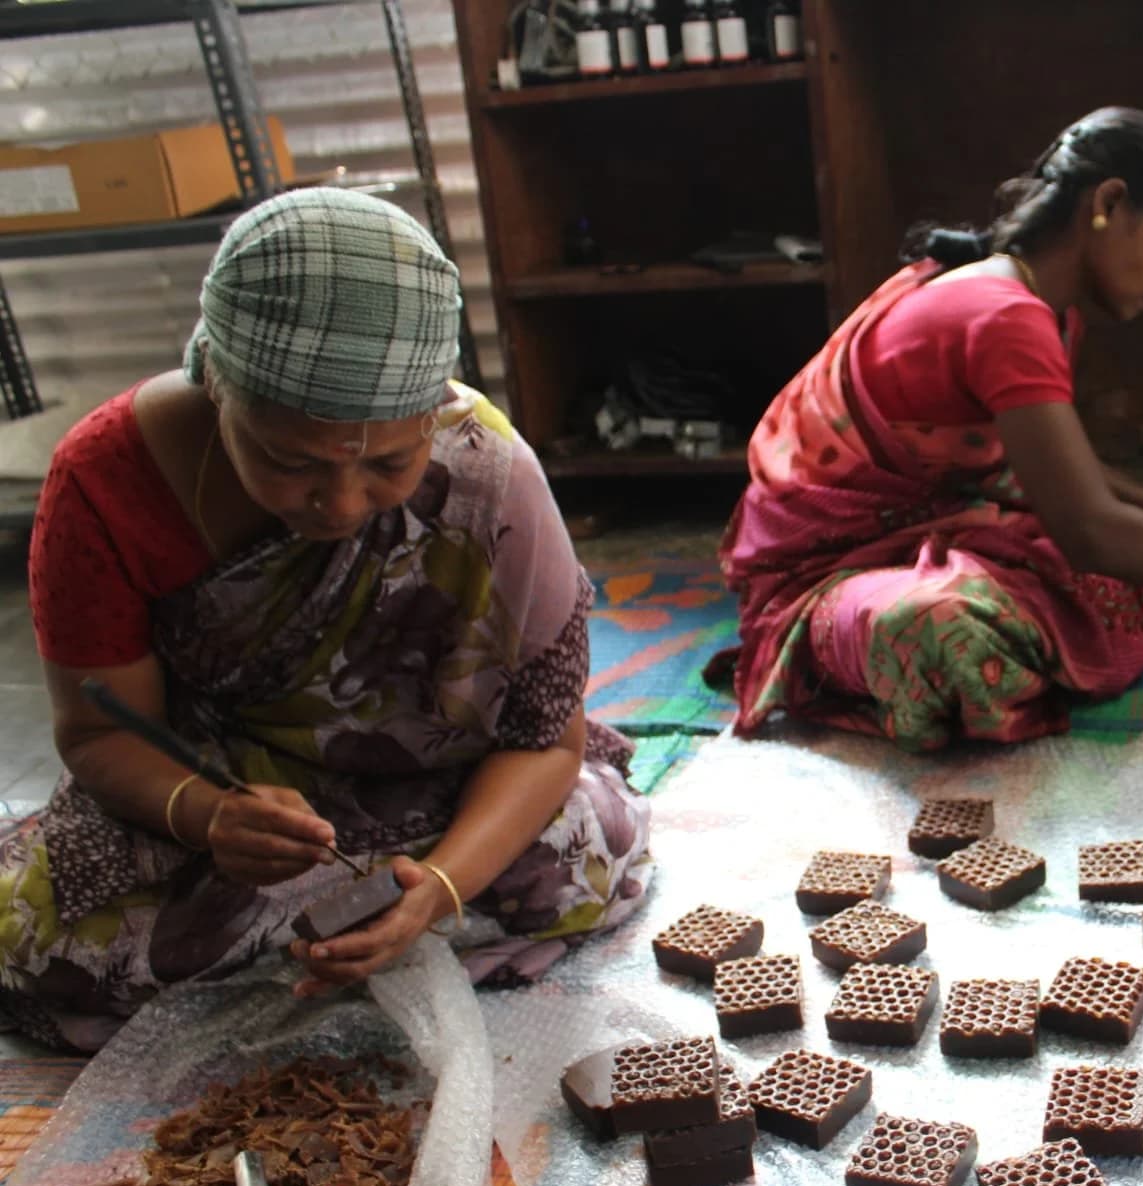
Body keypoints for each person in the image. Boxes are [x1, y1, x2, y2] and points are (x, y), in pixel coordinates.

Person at [1, 188, 654, 1052]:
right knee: (51, 941)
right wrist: (204, 813)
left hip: (432, 783)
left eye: (390, 463)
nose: (342, 504)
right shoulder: (108, 479)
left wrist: (442, 889)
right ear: (217, 387)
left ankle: (328, 962)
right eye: (286, 460)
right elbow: (97, 730)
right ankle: (362, 963)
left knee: (584, 853)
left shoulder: (486, 472)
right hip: (223, 795)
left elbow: (544, 742)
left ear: (435, 415)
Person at [720, 107, 1143, 750]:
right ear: (1110, 203)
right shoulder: (1005, 313)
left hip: (927, 520)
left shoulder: (1042, 308)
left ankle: (1030, 625)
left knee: (1140, 569)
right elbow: (1089, 528)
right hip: (818, 566)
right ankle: (821, 646)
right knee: (946, 629)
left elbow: (1054, 470)